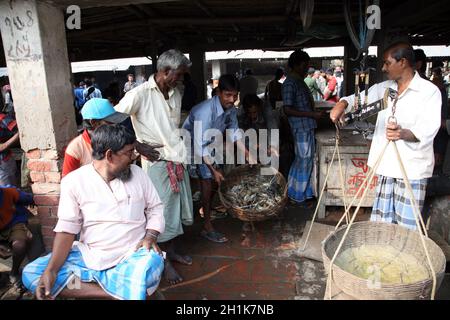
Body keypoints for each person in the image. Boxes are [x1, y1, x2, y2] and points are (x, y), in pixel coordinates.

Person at [22, 124, 165, 300]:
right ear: (109, 155)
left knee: (153, 265)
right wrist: (51, 270)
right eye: (128, 153)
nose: (132, 158)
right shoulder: (74, 182)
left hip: (133, 254)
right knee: (33, 274)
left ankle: (125, 289)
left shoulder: (138, 174)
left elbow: (155, 207)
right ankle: (115, 293)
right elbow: (67, 229)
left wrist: (150, 236)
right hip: (90, 257)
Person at [330, 42, 441, 230]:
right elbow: (357, 100)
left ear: (403, 62)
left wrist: (403, 133)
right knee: (383, 226)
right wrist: (341, 104)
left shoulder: (428, 92)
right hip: (386, 167)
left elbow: (429, 128)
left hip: (411, 170)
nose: (383, 68)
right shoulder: (385, 89)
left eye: (387, 63)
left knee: (406, 229)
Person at [115, 49, 194, 285]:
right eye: (178, 74)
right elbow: (114, 118)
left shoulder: (175, 92)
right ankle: (163, 260)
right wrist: (137, 145)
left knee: (179, 208)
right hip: (156, 159)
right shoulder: (139, 94)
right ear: (165, 71)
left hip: (177, 155)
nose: (181, 79)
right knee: (161, 210)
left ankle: (174, 250)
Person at [183, 74, 253, 243]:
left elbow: (235, 131)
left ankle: (205, 209)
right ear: (218, 92)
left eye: (235, 96)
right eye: (228, 95)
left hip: (212, 144)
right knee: (208, 183)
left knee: (214, 182)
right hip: (194, 147)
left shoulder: (230, 109)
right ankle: (206, 227)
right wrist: (214, 169)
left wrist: (247, 153)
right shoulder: (204, 111)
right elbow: (200, 146)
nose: (232, 99)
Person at [283, 50, 326, 205]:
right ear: (296, 65)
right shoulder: (290, 83)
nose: (307, 68)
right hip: (300, 127)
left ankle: (303, 193)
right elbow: (287, 109)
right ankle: (295, 195)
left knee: (306, 160)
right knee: (303, 160)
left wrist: (312, 114)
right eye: (305, 65)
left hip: (306, 126)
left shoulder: (299, 81)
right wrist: (311, 114)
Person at [62, 98, 130, 177]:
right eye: (111, 122)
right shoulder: (76, 148)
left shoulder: (118, 139)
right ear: (94, 122)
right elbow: (67, 182)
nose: (115, 125)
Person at [0, 186, 34, 286]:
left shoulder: (9, 192)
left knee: (19, 245)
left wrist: (33, 200)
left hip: (13, 224)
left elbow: (31, 198)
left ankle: (14, 272)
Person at [0, 110, 19, 186]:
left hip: (4, 162)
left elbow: (21, 128)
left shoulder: (2, 118)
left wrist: (6, 144)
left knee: (9, 190)